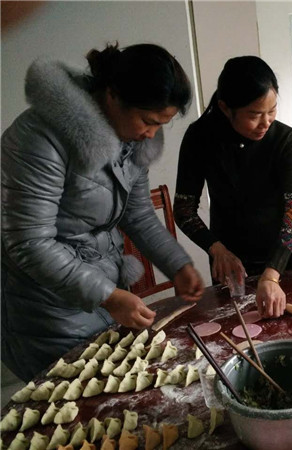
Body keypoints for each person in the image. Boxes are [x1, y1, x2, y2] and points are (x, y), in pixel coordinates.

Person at [1, 43, 205, 381]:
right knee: (67, 401)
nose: (151, 134)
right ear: (112, 96)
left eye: (160, 125)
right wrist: (107, 295)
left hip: (102, 293)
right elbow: (29, 243)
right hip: (46, 311)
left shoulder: (131, 140)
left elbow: (137, 215)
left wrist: (177, 264)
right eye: (148, 121)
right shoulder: (39, 138)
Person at [174, 56, 292, 318]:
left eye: (272, 111)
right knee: (234, 328)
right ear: (225, 107)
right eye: (255, 115)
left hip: (282, 256)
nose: (266, 122)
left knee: (290, 326)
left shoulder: (287, 140)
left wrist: (272, 274)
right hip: (229, 261)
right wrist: (215, 248)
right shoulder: (200, 138)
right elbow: (183, 209)